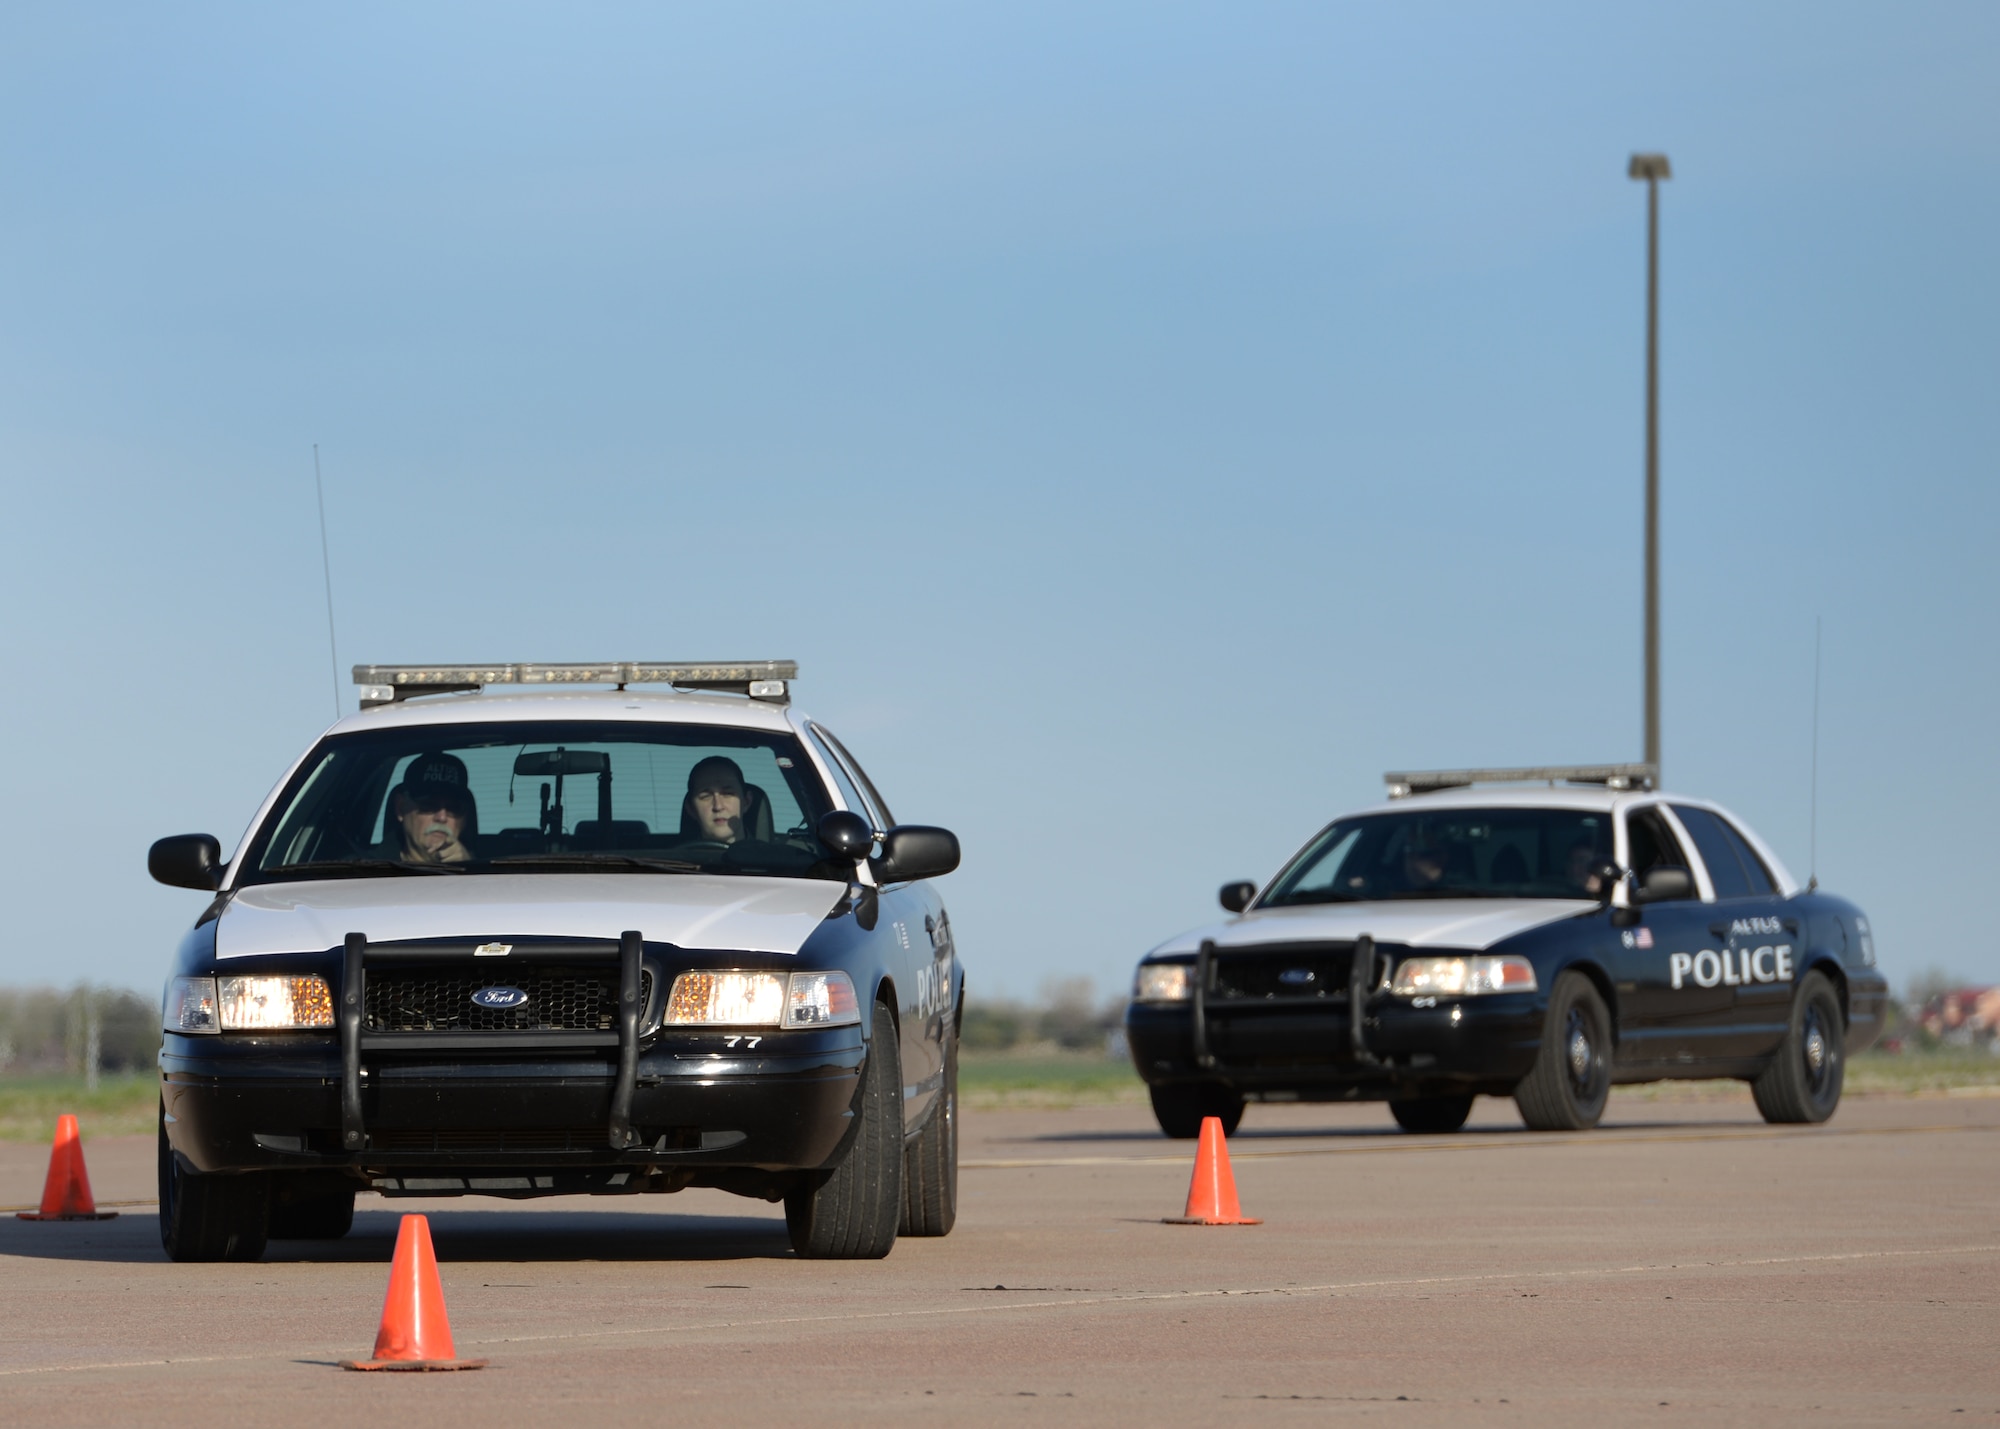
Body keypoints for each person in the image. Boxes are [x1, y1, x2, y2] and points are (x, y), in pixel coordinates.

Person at [392, 752, 477, 865]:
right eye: (428, 806)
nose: (442, 817)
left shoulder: (497, 875)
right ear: (401, 808)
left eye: (453, 808)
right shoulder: (367, 873)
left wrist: (470, 868)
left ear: (465, 818)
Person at [683, 756, 748, 845]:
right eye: (706, 796)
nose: (718, 806)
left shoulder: (769, 857)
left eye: (727, 793)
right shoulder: (671, 858)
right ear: (691, 809)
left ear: (746, 801)